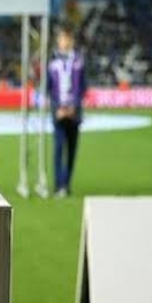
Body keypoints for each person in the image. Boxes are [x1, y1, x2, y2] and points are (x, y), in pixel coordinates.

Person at [46, 22, 87, 198]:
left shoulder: (79, 61)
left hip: (74, 113)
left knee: (71, 150)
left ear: (72, 41)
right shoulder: (52, 62)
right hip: (58, 113)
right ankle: (58, 185)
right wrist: (57, 108)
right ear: (58, 40)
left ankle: (66, 184)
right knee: (58, 149)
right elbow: (48, 88)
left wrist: (73, 107)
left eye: (68, 38)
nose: (65, 41)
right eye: (62, 38)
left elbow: (83, 87)